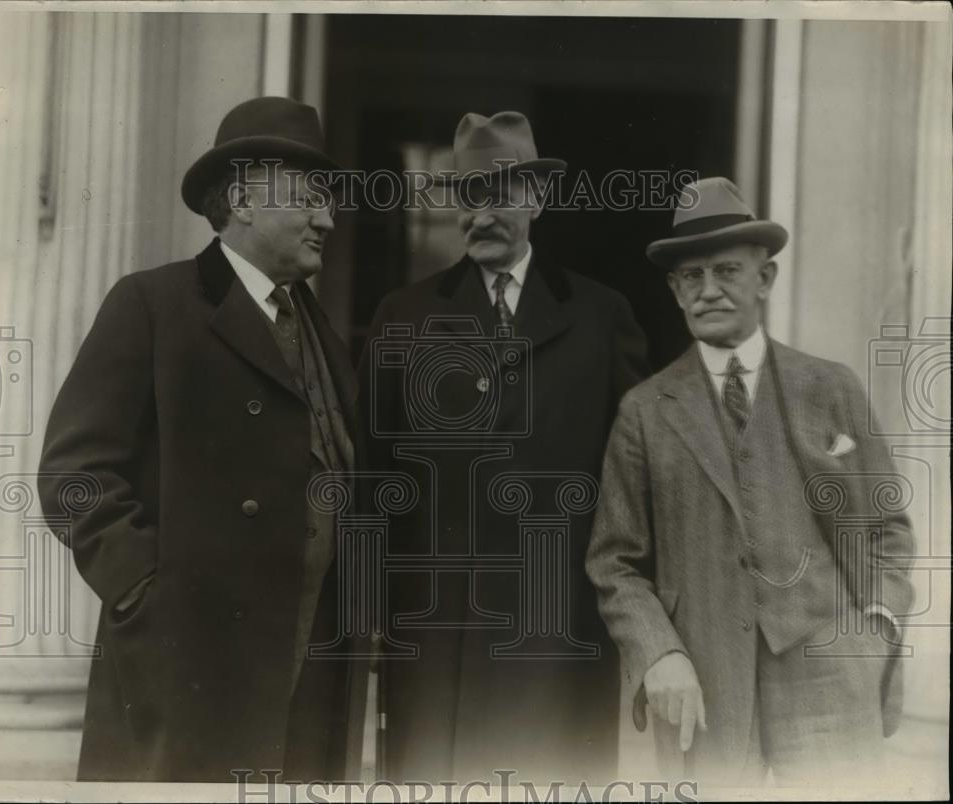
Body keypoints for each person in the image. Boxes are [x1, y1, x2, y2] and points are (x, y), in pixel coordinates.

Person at [38, 97, 359, 782]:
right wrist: (146, 595)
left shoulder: (322, 332)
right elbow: (74, 474)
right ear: (243, 198)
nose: (327, 219)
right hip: (188, 670)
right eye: (309, 199)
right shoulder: (153, 305)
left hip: (308, 674)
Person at [586, 176, 914, 787]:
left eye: (727, 271)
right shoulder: (646, 409)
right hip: (702, 685)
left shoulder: (830, 387)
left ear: (764, 279)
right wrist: (660, 652)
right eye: (691, 277)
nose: (709, 290)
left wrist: (875, 629)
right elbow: (615, 563)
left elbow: (887, 527)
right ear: (675, 291)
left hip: (830, 678)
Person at [360, 111, 648, 784]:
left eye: (500, 195)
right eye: (467, 196)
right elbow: (373, 480)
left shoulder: (601, 317)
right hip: (434, 639)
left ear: (537, 200)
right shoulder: (403, 316)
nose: (480, 214)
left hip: (558, 633)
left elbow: (634, 486)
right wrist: (370, 617)